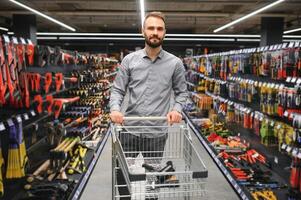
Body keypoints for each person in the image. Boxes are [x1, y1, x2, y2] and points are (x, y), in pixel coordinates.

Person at [109, 11, 188, 199]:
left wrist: (176, 110)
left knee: (153, 180)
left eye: (159, 29)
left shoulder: (175, 63)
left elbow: (182, 93)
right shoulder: (129, 60)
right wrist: (115, 109)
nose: (155, 32)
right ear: (142, 31)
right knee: (123, 177)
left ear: (165, 33)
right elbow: (118, 90)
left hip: (157, 133)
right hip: (129, 130)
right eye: (151, 28)